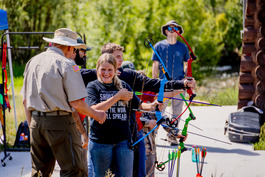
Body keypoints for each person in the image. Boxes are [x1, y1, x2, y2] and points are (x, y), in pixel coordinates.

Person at [21, 28, 106, 177]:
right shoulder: (66, 64)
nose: (73, 53)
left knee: (40, 172)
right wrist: (97, 114)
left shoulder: (32, 62)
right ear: (68, 47)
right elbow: (77, 103)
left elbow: (24, 100)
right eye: (73, 49)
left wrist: (32, 125)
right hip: (60, 122)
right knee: (74, 170)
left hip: (35, 122)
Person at [85, 53, 162, 177]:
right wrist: (117, 97)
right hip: (101, 142)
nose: (106, 73)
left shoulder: (123, 85)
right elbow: (93, 109)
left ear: (115, 70)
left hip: (123, 142)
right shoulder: (93, 86)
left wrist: (153, 106)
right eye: (103, 69)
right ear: (97, 69)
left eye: (110, 70)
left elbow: (139, 105)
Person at [152, 20, 190, 145]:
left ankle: (172, 135)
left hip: (178, 84)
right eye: (170, 28)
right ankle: (153, 133)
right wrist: (154, 82)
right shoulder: (159, 46)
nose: (172, 30)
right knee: (158, 109)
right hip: (163, 84)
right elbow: (155, 64)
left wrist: (185, 77)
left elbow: (187, 64)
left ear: (179, 32)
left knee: (177, 111)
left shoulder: (183, 47)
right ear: (165, 30)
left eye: (175, 28)